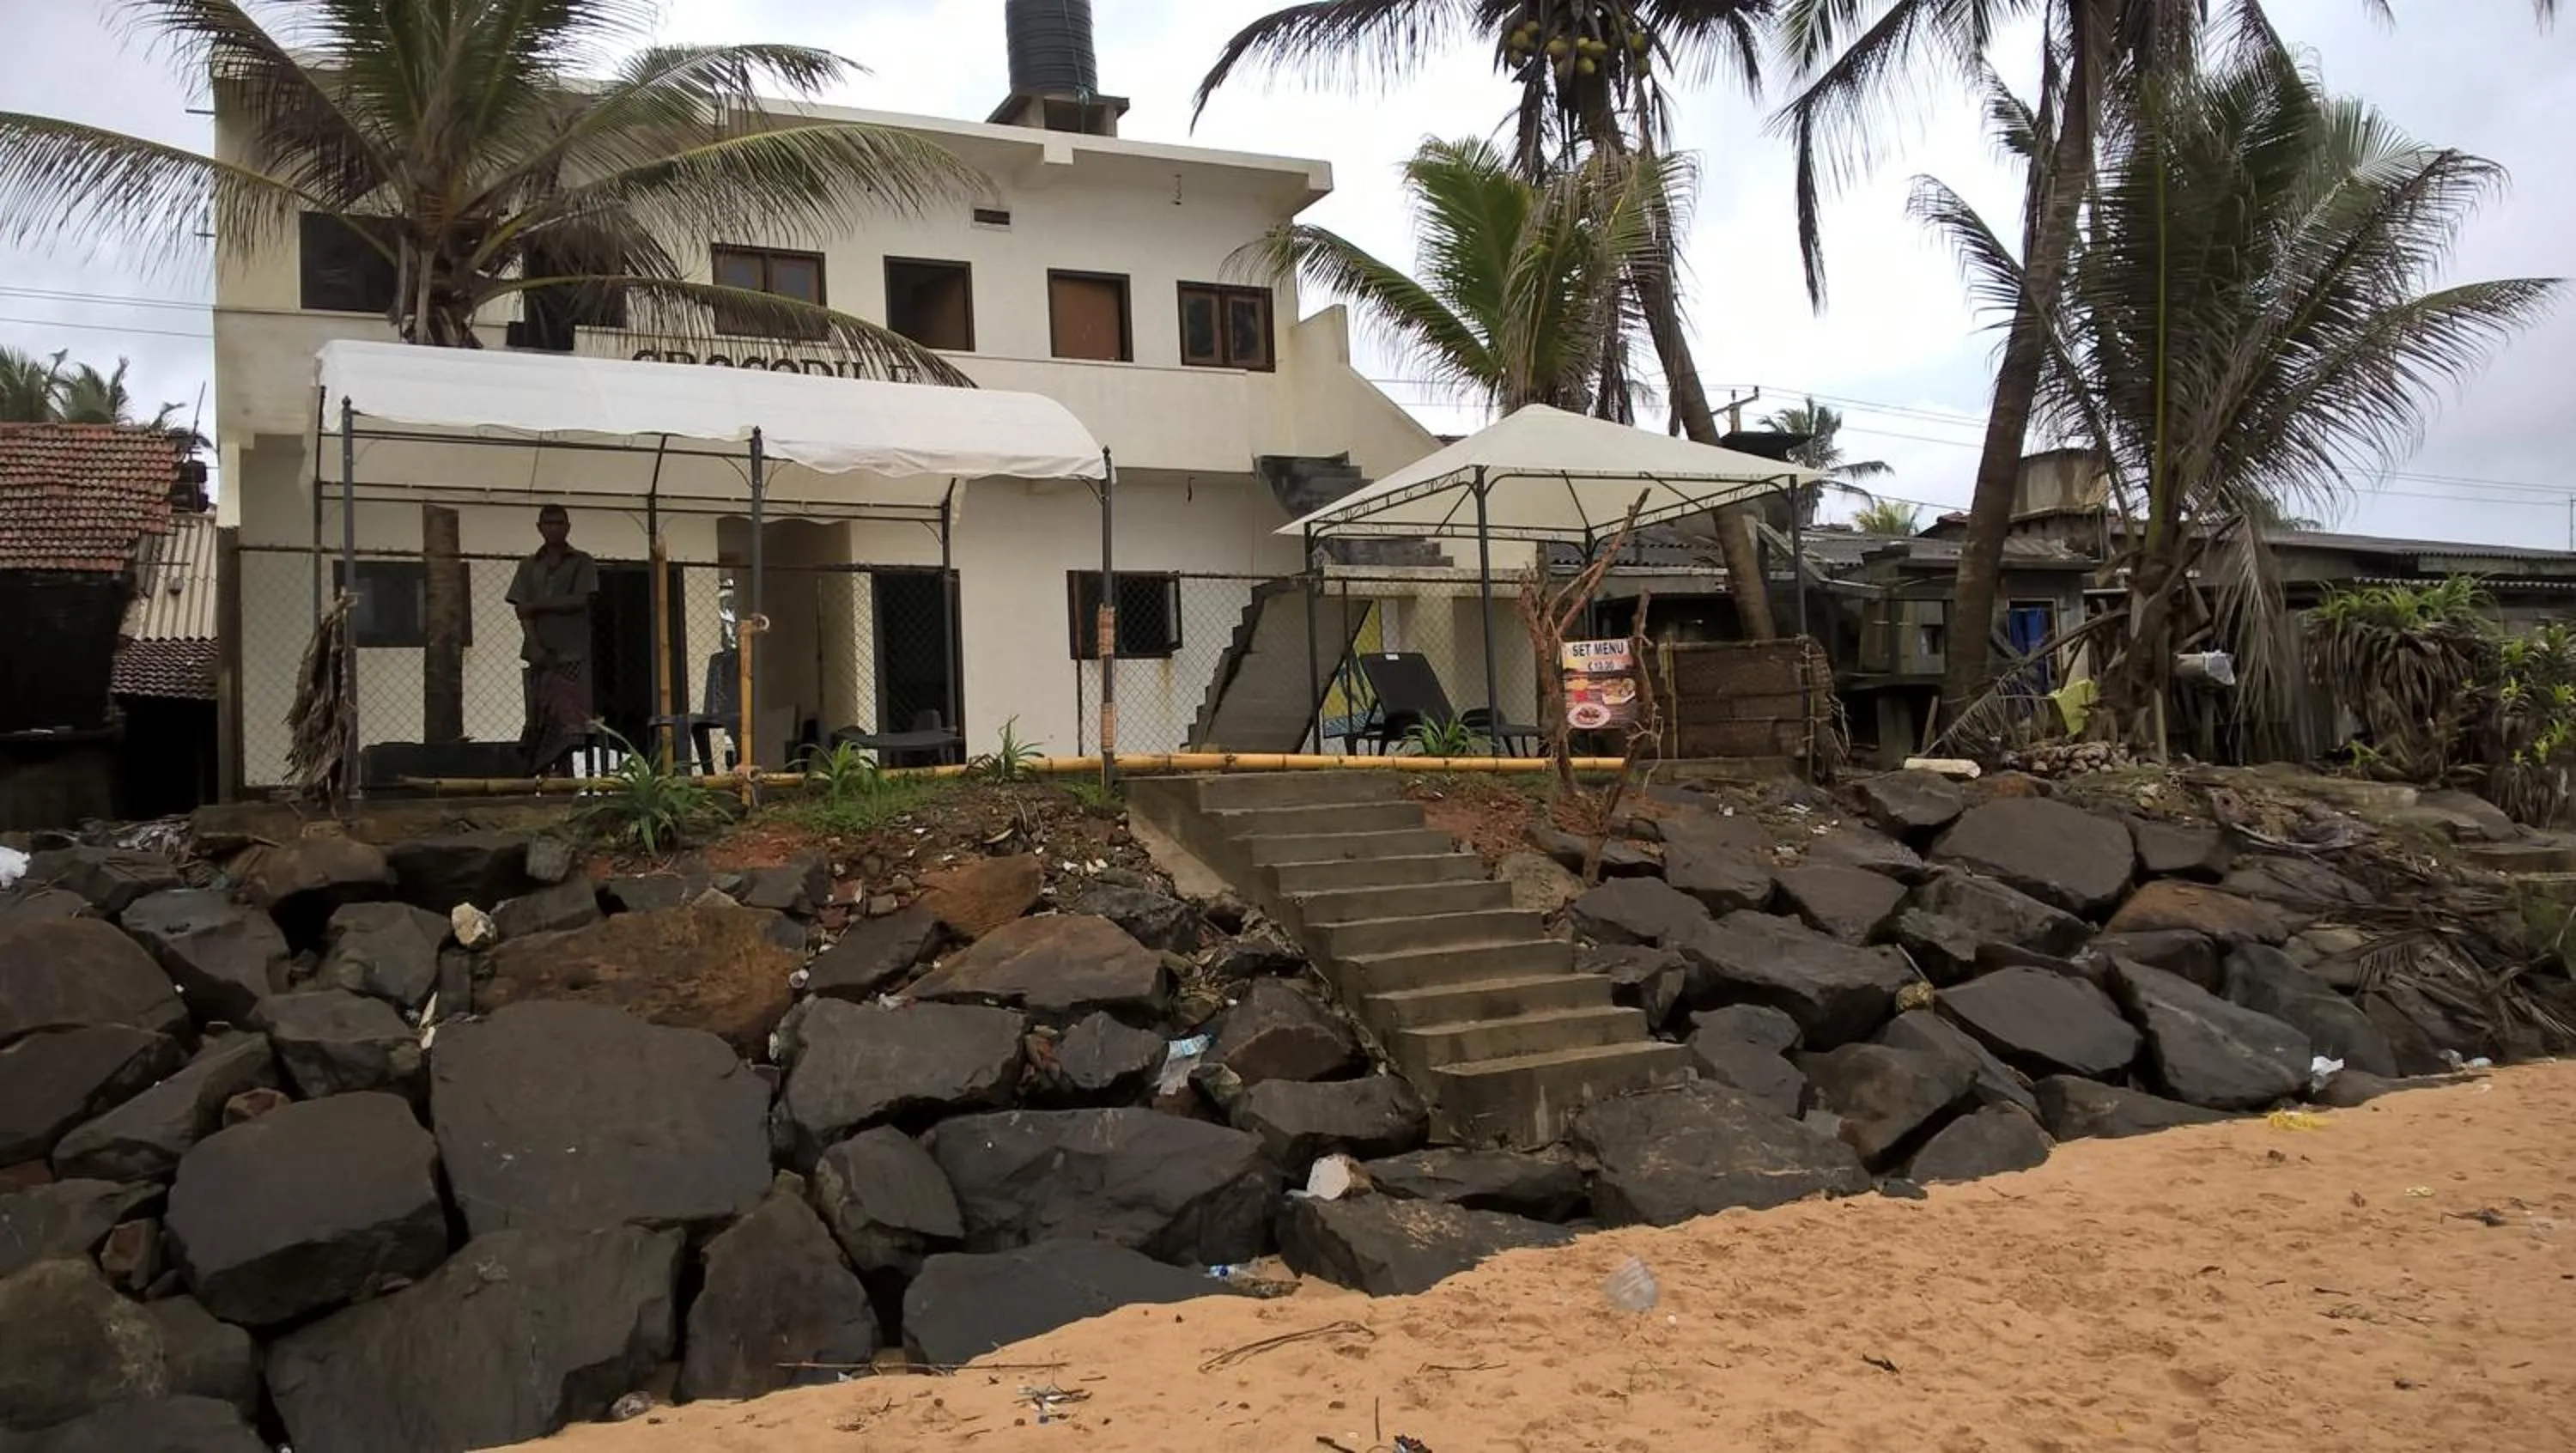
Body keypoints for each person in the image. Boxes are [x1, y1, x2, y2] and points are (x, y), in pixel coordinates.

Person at [507, 504, 599, 775]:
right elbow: (521, 609)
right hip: (540, 655)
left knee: (570, 724)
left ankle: (565, 777)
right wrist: (533, 642)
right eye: (549, 523)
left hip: (573, 655)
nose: (554, 528)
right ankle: (542, 777)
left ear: (568, 527)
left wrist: (537, 606)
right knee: (540, 718)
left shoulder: (582, 561)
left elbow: (580, 600)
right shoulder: (528, 566)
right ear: (539, 527)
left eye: (560, 523)